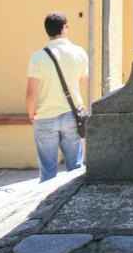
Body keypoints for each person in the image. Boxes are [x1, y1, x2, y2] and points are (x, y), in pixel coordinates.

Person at [26, 12, 88, 181]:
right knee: (76, 168)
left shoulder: (38, 57)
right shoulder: (79, 52)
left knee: (48, 172)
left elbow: (31, 94)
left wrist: (32, 115)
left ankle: (47, 205)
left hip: (45, 117)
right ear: (64, 28)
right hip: (73, 116)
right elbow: (82, 81)